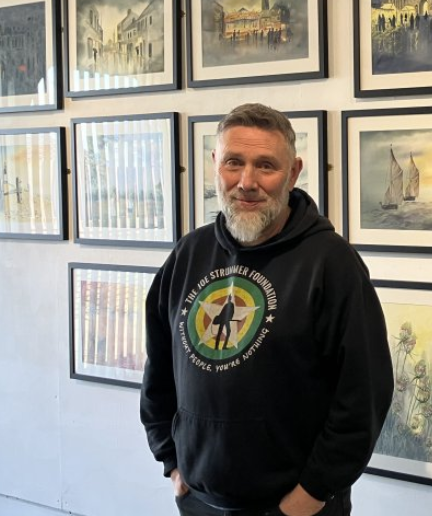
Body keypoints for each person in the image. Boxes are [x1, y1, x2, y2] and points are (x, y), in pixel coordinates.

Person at [140, 103, 394, 516]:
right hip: (199, 500)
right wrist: (171, 461)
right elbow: (159, 366)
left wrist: (311, 494)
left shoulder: (331, 262)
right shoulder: (189, 253)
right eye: (233, 163)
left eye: (266, 166)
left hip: (295, 508)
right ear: (214, 165)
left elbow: (363, 393)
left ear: (293, 173)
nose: (247, 182)